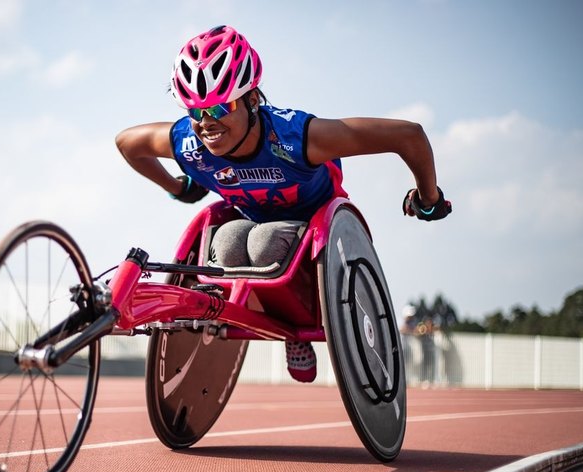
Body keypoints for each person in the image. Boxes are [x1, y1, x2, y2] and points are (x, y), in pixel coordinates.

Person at [115, 25, 451, 383]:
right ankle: (282, 320)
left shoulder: (298, 138)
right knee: (225, 243)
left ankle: (296, 323)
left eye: (218, 107)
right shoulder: (188, 144)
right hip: (252, 223)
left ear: (252, 100)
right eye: (195, 112)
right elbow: (126, 143)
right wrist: (178, 187)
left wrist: (428, 197)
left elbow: (408, 135)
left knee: (263, 243)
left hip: (314, 226)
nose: (206, 124)